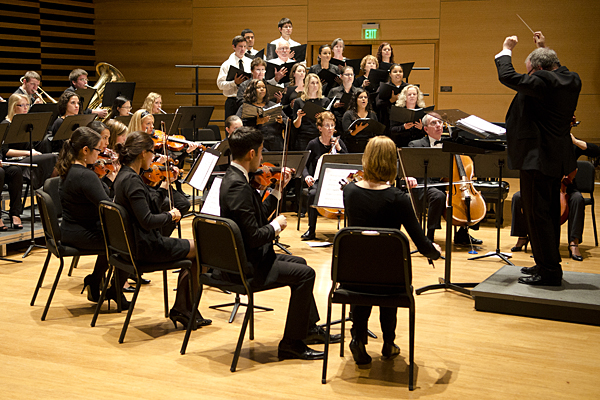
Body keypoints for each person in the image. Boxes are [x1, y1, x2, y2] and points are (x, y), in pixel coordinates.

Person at [219, 126, 339, 360]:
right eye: (262, 152)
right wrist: (275, 226)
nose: (263, 159)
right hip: (246, 266)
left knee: (300, 262)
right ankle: (291, 343)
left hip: (247, 256)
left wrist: (276, 191)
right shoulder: (238, 186)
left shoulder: (236, 179)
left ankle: (308, 328)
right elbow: (255, 235)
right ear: (252, 154)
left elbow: (254, 218)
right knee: (306, 274)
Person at [343, 135, 440, 365]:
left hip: (353, 275)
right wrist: (434, 251)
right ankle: (388, 343)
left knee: (365, 272)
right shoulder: (399, 199)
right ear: (392, 163)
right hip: (390, 278)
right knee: (388, 272)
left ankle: (358, 338)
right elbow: (420, 241)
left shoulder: (349, 192)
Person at [496, 31, 581, 286]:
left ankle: (549, 272)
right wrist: (542, 48)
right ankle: (546, 263)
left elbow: (507, 76)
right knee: (549, 213)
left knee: (537, 214)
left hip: (537, 158)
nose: (529, 75)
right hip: (555, 158)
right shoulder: (571, 79)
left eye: (530, 70)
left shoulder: (542, 81)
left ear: (538, 68)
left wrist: (506, 49)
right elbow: (553, 68)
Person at [113, 131, 211, 327]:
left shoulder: (124, 175)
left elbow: (147, 206)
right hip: (146, 247)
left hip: (131, 246)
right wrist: (171, 215)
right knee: (203, 249)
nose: (154, 156)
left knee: (196, 249)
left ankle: (184, 307)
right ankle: (183, 308)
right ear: (142, 153)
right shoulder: (132, 181)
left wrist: (164, 184)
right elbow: (148, 220)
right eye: (152, 152)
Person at [55, 126, 129, 306]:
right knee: (128, 241)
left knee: (118, 238)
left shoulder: (70, 170)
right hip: (80, 233)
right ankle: (115, 290)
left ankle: (95, 280)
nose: (100, 153)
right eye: (97, 149)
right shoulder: (85, 175)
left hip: (70, 229)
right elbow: (108, 208)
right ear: (85, 150)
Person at [511, 134, 599, 261]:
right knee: (518, 197)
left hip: (567, 188)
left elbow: (596, 151)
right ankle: (522, 236)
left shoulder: (571, 147)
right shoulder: (544, 144)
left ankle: (574, 242)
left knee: (577, 199)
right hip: (545, 186)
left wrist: (575, 141)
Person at [408, 112, 483, 245]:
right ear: (425, 129)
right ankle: (429, 236)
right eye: (433, 123)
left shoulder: (450, 145)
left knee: (470, 200)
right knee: (438, 196)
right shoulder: (416, 144)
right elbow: (408, 166)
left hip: (446, 184)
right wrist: (409, 176)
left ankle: (462, 234)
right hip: (424, 184)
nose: (438, 125)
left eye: (440, 122)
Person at [301, 111, 347, 240]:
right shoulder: (313, 144)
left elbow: (348, 161)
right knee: (312, 194)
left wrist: (338, 148)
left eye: (332, 125)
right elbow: (304, 164)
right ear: (320, 128)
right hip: (319, 181)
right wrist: (307, 176)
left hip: (337, 182)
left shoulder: (339, 143)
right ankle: (311, 230)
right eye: (327, 125)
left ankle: (348, 229)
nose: (330, 128)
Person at [2, 94, 57, 189]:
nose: (25, 108)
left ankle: (49, 188)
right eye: (22, 105)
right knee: (53, 158)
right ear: (13, 107)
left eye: (27, 105)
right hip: (13, 162)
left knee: (54, 158)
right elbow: (5, 151)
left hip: (25, 158)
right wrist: (29, 153)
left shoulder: (25, 123)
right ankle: (49, 189)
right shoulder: (6, 124)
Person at [236, 79, 285, 151]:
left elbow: (286, 120)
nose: (262, 89)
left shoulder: (272, 105)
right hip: (256, 143)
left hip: (275, 143)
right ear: (252, 90)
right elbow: (239, 126)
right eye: (258, 87)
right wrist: (257, 122)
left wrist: (281, 121)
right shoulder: (245, 107)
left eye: (264, 87)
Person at [217, 36, 251, 120]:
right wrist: (234, 82)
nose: (243, 49)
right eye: (240, 46)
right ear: (234, 47)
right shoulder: (227, 64)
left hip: (247, 101)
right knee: (231, 127)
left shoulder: (250, 62)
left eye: (244, 46)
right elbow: (220, 84)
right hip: (233, 100)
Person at [292, 73, 329, 151]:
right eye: (312, 83)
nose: (315, 85)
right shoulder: (299, 101)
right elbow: (296, 125)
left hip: (319, 136)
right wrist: (299, 117)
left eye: (317, 83)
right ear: (307, 85)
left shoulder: (324, 101)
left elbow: (329, 121)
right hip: (304, 136)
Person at [342, 88, 378, 153]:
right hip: (353, 146)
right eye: (360, 97)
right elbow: (346, 135)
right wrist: (356, 131)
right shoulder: (348, 114)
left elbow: (376, 132)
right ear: (355, 100)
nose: (363, 99)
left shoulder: (372, 114)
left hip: (369, 146)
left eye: (365, 97)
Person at [375, 63, 407, 133]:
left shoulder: (407, 87)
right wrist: (391, 100)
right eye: (395, 72)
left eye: (400, 71)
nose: (398, 74)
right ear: (390, 74)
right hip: (386, 120)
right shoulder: (383, 87)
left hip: (403, 121)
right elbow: (377, 104)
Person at [328, 66, 359, 133]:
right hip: (338, 121)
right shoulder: (334, 91)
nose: (350, 76)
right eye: (347, 75)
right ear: (341, 76)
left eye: (351, 74)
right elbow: (327, 107)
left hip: (353, 120)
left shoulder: (358, 91)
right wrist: (334, 106)